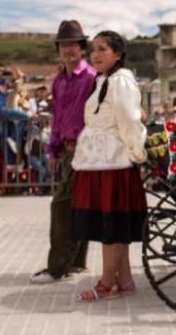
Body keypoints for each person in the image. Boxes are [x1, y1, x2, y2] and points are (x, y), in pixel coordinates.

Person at [72, 30, 148, 301]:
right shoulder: (103, 80)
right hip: (100, 161)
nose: (95, 54)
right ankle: (124, 280)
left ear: (118, 55)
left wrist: (136, 153)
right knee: (112, 221)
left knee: (112, 224)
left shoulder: (121, 81)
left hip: (113, 162)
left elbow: (129, 121)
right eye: (93, 49)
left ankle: (107, 284)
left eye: (102, 49)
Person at [30, 20, 97, 284]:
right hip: (67, 150)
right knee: (75, 204)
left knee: (61, 205)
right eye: (63, 45)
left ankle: (57, 268)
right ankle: (77, 262)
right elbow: (57, 118)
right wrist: (53, 151)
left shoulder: (91, 77)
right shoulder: (58, 80)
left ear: (83, 49)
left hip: (87, 149)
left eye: (73, 44)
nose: (68, 49)